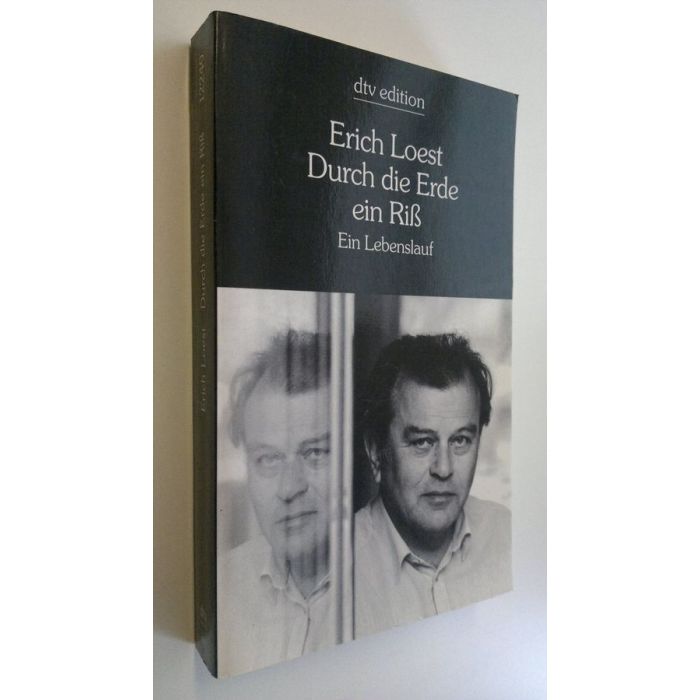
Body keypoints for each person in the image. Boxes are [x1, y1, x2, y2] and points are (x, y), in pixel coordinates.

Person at [354, 333, 511, 637]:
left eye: (460, 440)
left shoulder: (507, 536)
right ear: (375, 451)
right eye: (422, 442)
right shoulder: (336, 574)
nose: (444, 469)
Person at [218, 330, 335, 676]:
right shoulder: (221, 588)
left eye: (315, 453)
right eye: (268, 459)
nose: (289, 488)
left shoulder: (400, 586)